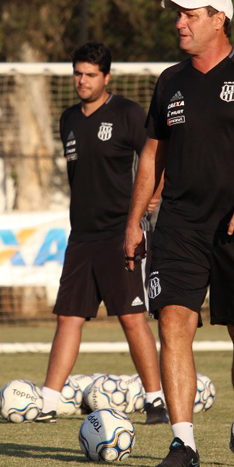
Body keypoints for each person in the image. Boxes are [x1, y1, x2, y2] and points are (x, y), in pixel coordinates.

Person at [123, 0, 234, 467]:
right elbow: (153, 153)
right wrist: (135, 220)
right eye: (178, 15)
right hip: (180, 226)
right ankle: (183, 443)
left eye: (190, 15)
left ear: (220, 18)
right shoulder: (170, 82)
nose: (180, 23)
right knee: (175, 323)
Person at [36, 42, 168, 425]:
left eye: (90, 74)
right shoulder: (68, 119)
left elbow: (155, 158)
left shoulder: (127, 113)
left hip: (121, 232)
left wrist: (151, 201)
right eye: (77, 73)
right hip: (82, 237)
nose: (82, 80)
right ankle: (47, 402)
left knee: (131, 317)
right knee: (68, 317)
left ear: (106, 77)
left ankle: (155, 400)